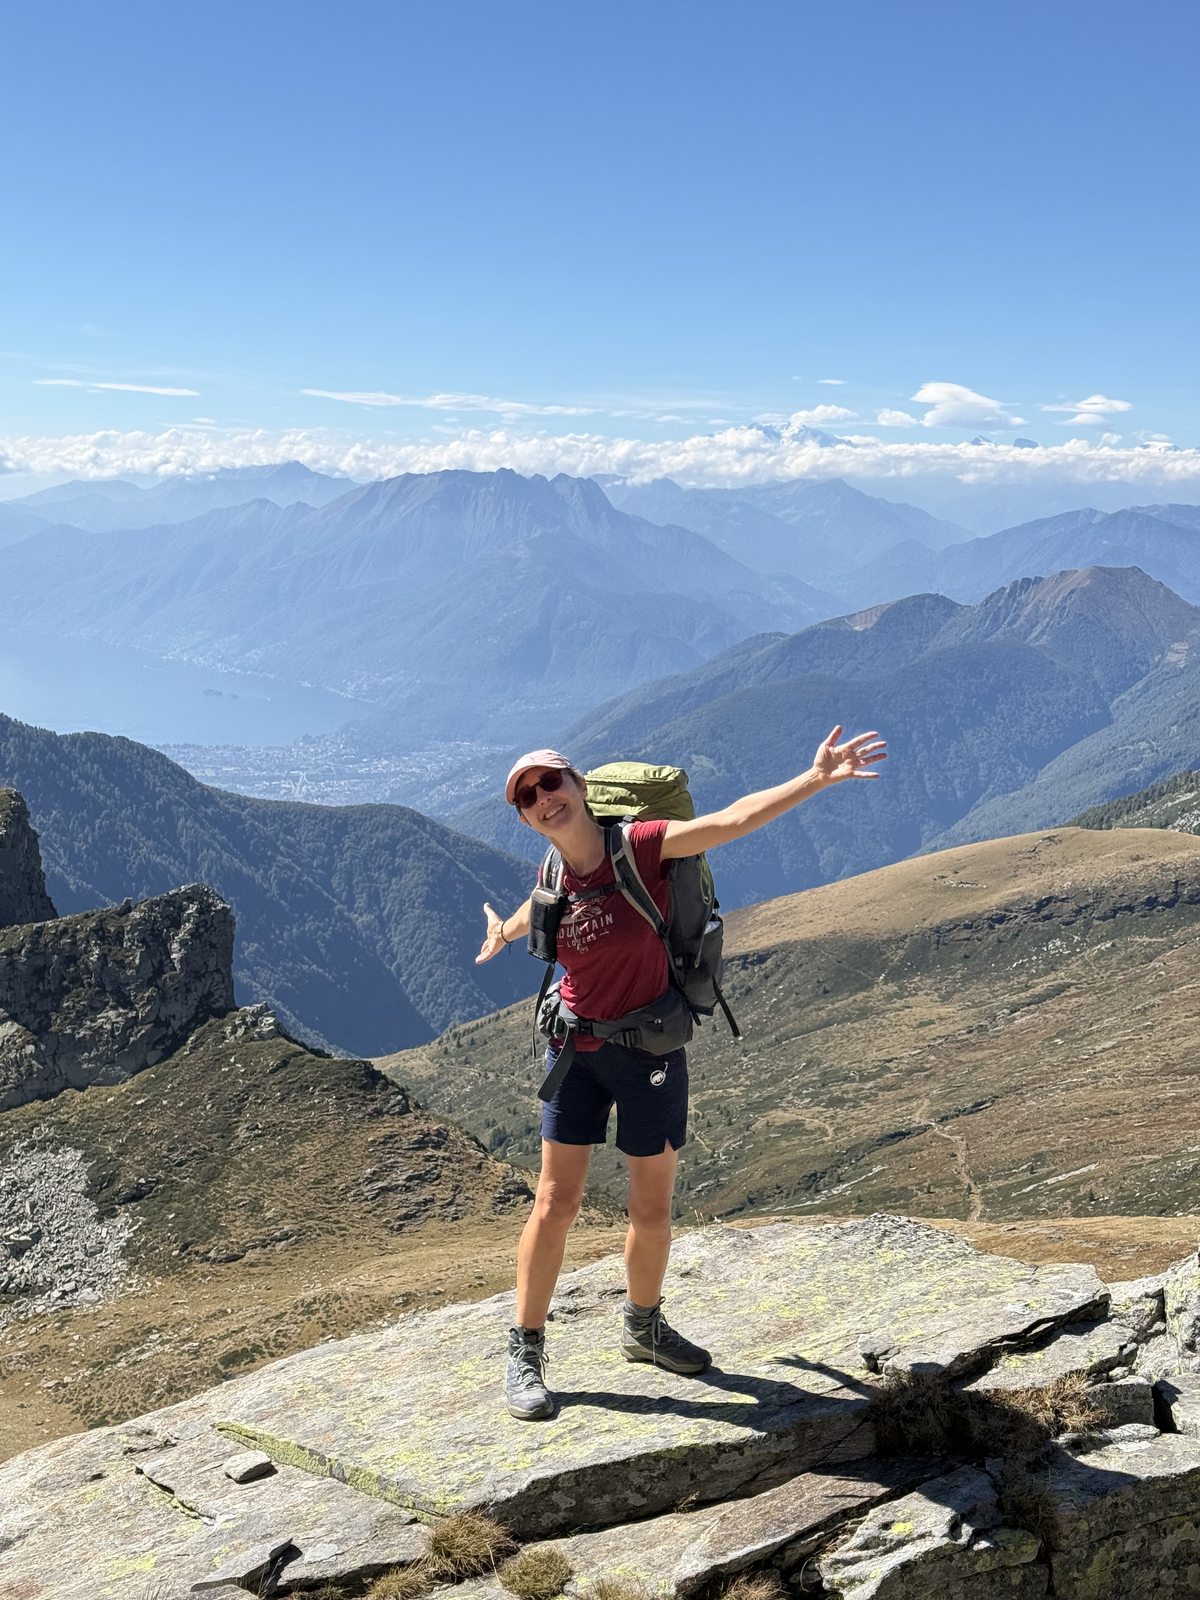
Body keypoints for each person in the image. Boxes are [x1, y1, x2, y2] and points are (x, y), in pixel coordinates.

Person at [475, 726, 886, 1420]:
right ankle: (526, 1348)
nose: (544, 798)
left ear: (579, 788)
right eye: (528, 796)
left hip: (649, 1055)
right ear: (523, 817)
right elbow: (536, 906)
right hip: (574, 1052)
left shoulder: (641, 848)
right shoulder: (552, 873)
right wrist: (505, 933)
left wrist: (815, 778)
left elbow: (731, 821)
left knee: (650, 1208)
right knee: (555, 1201)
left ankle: (643, 1327)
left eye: (552, 783)